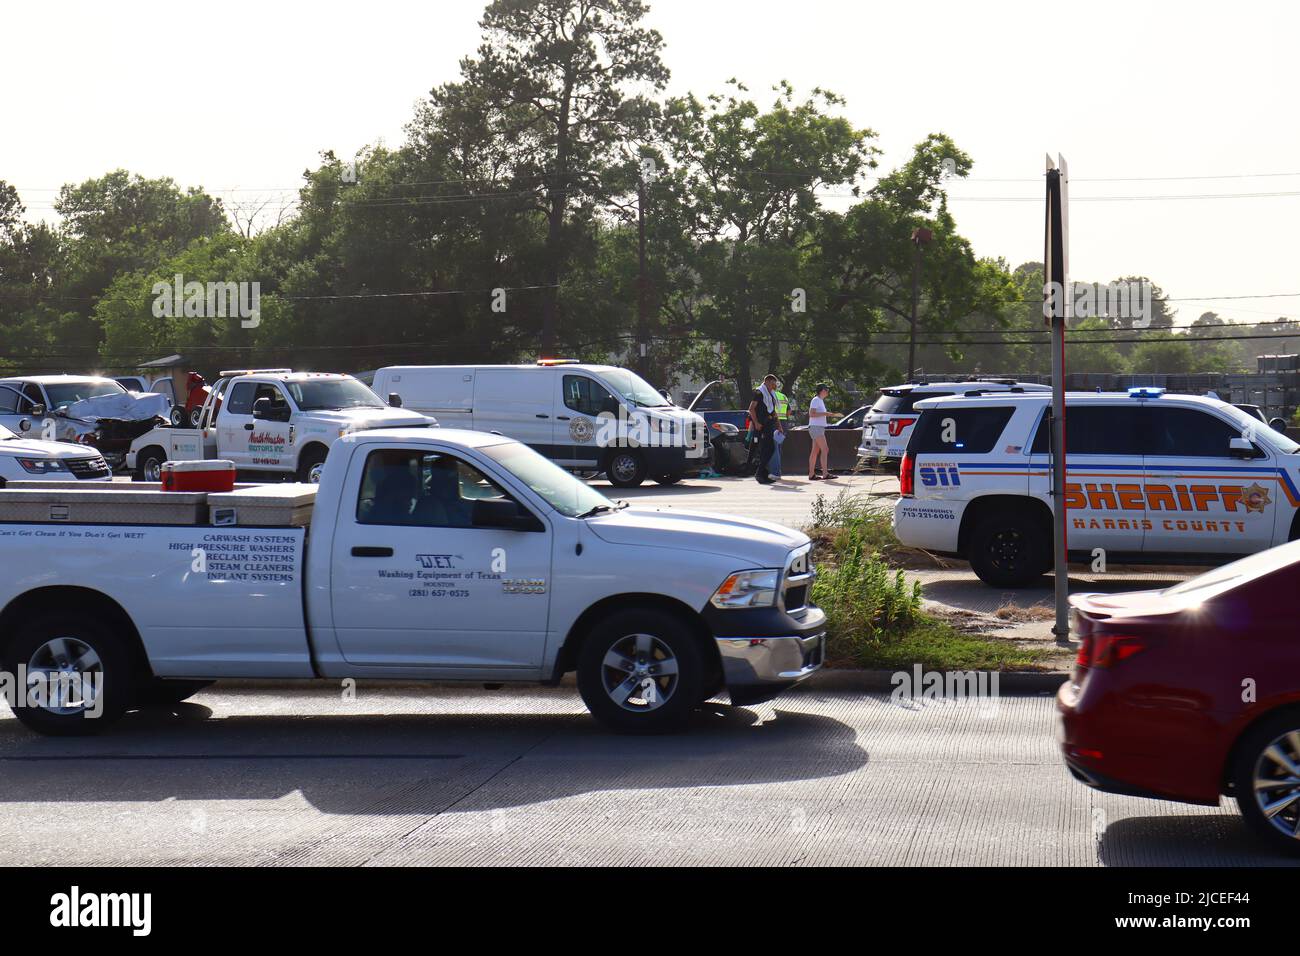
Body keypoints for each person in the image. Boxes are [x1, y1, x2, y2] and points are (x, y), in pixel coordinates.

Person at [747, 374, 782, 485]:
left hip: (768, 425)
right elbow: (751, 409)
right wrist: (756, 423)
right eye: (773, 383)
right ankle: (759, 473)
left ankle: (762, 473)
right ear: (767, 382)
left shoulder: (771, 394)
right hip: (761, 425)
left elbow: (772, 411)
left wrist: (779, 425)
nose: (774, 386)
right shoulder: (759, 392)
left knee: (768, 449)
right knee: (767, 449)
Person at [807, 383, 837, 480]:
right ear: (822, 390)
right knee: (825, 449)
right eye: (826, 389)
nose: (827, 391)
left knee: (815, 451)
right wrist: (826, 413)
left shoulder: (820, 400)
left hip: (817, 427)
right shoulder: (816, 400)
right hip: (816, 428)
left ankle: (811, 474)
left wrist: (826, 414)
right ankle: (825, 473)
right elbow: (811, 414)